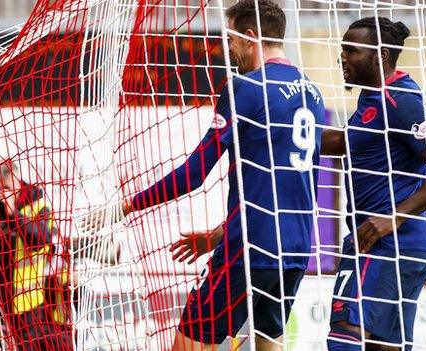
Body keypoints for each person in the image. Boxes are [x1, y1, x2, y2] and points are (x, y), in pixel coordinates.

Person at [82, 1, 325, 350]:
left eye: (231, 38)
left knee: (189, 342)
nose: (228, 47)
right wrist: (217, 235)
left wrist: (124, 206)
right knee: (268, 339)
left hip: (250, 248)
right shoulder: (312, 92)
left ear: (251, 36)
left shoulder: (246, 88)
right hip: (298, 247)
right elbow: (286, 184)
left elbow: (193, 175)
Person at [322, 17, 426, 351]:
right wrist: (285, 130)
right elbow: (345, 142)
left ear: (380, 57)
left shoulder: (401, 98)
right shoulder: (370, 99)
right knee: (383, 347)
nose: (342, 57)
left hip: (388, 244)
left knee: (345, 334)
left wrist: (394, 217)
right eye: (341, 49)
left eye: (351, 50)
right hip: (395, 246)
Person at [0, 160, 73, 350]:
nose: (1, 194)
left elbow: (40, 240)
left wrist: (12, 213)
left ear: (15, 178)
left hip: (32, 306)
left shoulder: (36, 199)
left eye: (6, 187)